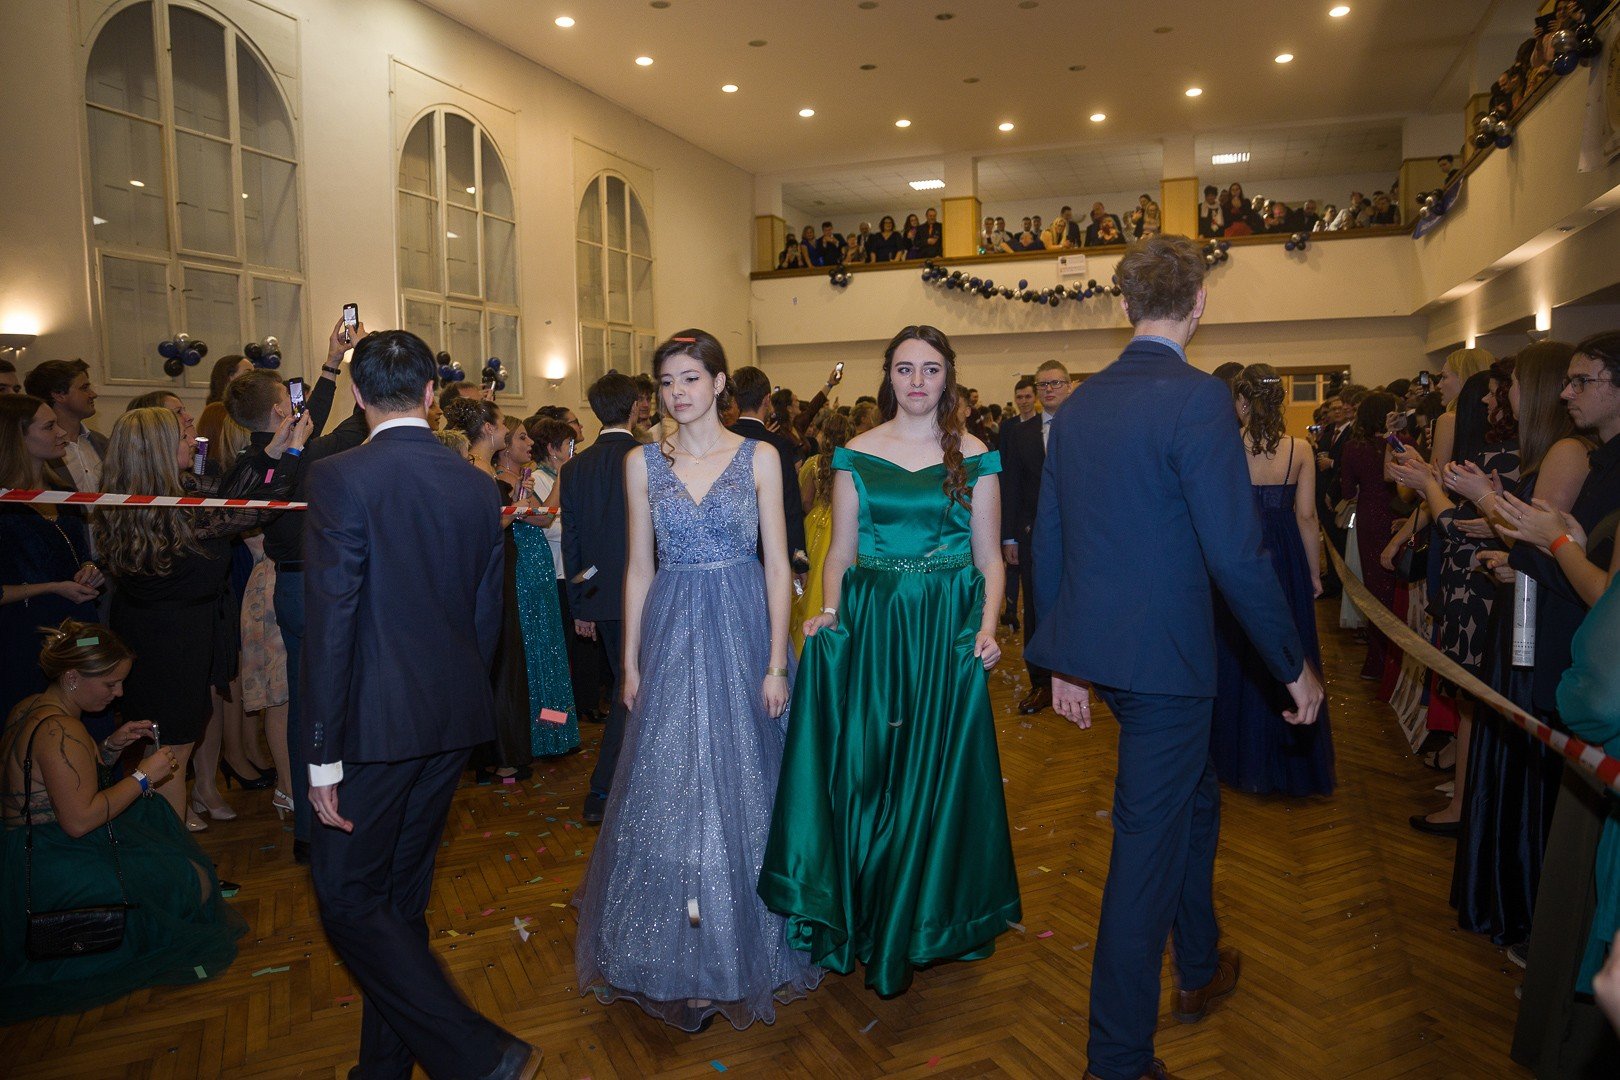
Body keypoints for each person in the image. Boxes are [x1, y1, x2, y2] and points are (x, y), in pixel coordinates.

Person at [1028, 235, 1323, 1080]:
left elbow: (1050, 539)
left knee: (1193, 801)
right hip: (1168, 668)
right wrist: (1292, 663)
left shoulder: (1077, 406)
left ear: (1124, 305)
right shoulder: (1198, 400)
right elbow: (1235, 553)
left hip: (1110, 656)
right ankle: (1117, 1059)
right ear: (1199, 304)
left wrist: (1064, 662)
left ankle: (1197, 963)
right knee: (1144, 854)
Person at [302, 329, 537, 1080]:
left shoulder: (339, 476)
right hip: (451, 716)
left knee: (346, 898)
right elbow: (483, 615)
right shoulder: (475, 484)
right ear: (433, 395)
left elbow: (331, 624)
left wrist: (320, 756)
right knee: (399, 905)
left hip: (371, 727)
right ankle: (381, 1071)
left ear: (358, 395)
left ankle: (476, 1051)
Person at [760, 324, 1019, 996]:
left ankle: (919, 918)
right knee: (869, 772)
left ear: (948, 376)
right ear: (889, 376)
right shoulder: (856, 453)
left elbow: (990, 559)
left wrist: (988, 626)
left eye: (929, 369)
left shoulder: (976, 455)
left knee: (932, 774)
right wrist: (830, 611)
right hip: (874, 626)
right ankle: (868, 913)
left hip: (944, 628)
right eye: (905, 369)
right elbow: (841, 554)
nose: (917, 381)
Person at [574, 328, 821, 1030]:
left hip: (743, 627)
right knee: (672, 788)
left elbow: (777, 566)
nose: (678, 392)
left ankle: (746, 947)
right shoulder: (642, 464)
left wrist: (776, 661)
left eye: (690, 378)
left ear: (718, 383)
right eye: (667, 382)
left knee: (747, 785)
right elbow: (638, 569)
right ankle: (680, 952)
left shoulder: (761, 457)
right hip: (673, 630)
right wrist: (630, 662)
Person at [0, 621, 245, 1023]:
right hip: (52, 861)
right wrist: (143, 777)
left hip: (30, 846)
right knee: (194, 882)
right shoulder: (61, 730)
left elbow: (59, 785)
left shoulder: (30, 707)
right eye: (110, 684)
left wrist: (110, 748)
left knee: (162, 842)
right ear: (73, 677)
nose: (119, 693)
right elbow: (79, 820)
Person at [94, 406, 303, 830]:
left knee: (168, 743)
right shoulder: (176, 508)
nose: (194, 441)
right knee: (172, 749)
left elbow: (228, 489)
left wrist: (272, 452)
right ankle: (174, 853)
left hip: (170, 627)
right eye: (183, 436)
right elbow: (257, 510)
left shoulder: (159, 492)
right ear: (157, 451)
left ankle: (168, 843)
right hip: (171, 639)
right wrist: (293, 454)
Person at [1442, 344, 1582, 946]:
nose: (1506, 396)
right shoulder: (1547, 451)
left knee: (1522, 755)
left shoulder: (1565, 452)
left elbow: (1537, 541)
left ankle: (1517, 905)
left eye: (1515, 384)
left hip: (1535, 620)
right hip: (1519, 606)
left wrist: (1483, 498)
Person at [265, 317, 369, 863]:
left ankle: (310, 827)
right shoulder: (302, 456)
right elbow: (345, 429)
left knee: (306, 704)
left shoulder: (272, 456)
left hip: (292, 585)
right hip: (314, 588)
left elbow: (325, 424)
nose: (301, 409)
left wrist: (333, 363)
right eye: (291, 403)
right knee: (329, 705)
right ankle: (329, 820)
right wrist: (355, 371)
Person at [1210, 365, 1334, 797]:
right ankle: (1290, 761)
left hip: (1242, 553)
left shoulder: (1225, 448)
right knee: (1286, 644)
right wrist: (1313, 572)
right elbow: (1307, 517)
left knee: (1239, 649)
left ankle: (1236, 756)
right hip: (1283, 556)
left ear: (1242, 402)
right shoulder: (1300, 449)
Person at [444, 398, 537, 783]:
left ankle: (489, 753)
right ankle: (500, 755)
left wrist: (514, 504)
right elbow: (481, 527)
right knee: (499, 659)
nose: (504, 430)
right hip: (490, 571)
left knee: (500, 658)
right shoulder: (476, 470)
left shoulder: (475, 467)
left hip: (498, 565)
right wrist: (517, 510)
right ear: (487, 429)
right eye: (500, 424)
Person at [563, 372, 642, 824]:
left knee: (628, 685)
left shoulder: (577, 467)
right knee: (632, 689)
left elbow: (573, 543)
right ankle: (603, 788)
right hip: (649, 593)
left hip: (601, 594)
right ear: (635, 407)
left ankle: (619, 785)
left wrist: (582, 603)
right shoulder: (649, 458)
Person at [0, 395, 104, 721]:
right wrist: (52, 587)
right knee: (35, 722)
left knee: (92, 715)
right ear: (17, 438)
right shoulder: (4, 507)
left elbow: (82, 555)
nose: (61, 432)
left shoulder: (63, 491)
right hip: (27, 637)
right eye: (49, 426)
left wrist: (90, 569)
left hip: (80, 627)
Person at [496, 414, 579, 758]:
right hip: (525, 571)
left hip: (540, 568)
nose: (529, 443)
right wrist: (561, 475)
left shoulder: (521, 481)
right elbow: (544, 518)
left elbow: (542, 517)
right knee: (534, 651)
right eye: (521, 438)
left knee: (549, 649)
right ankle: (537, 733)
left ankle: (554, 729)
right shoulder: (500, 481)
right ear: (505, 448)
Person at [1001, 360, 1070, 715]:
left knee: (1080, 603)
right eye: (1043, 384)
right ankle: (1041, 683)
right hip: (1032, 535)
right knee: (1036, 607)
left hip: (1080, 535)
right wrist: (1009, 537)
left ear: (1068, 386)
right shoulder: (1021, 433)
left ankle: (1084, 676)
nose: (1049, 389)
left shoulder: (1087, 426)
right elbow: (1010, 486)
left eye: (1055, 383)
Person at [1337, 391, 1405, 680]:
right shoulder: (1403, 444)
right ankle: (1400, 661)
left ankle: (1378, 661)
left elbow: (1347, 491)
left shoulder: (1354, 447)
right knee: (1400, 587)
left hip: (1370, 518)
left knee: (1375, 588)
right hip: (1400, 517)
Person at [729, 366, 810, 584]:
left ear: (735, 400)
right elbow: (791, 508)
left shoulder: (721, 442)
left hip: (728, 552)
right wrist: (800, 561)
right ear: (767, 400)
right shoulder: (778, 446)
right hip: (769, 552)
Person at [793, 411, 856, 653]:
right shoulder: (851, 463)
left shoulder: (814, 464)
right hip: (843, 523)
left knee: (810, 581)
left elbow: (805, 501)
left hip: (816, 524)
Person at [25, 359, 103, 492]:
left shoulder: (102, 442)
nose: (93, 394)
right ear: (59, 395)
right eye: (84, 388)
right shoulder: (36, 451)